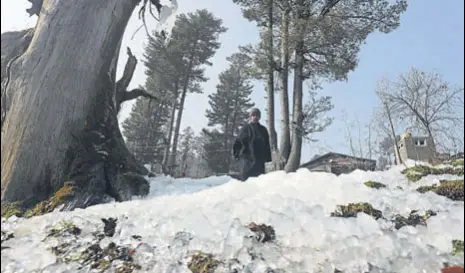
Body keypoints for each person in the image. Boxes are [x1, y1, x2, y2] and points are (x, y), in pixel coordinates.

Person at [232, 107, 272, 181]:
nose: (255, 117)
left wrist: (268, 158)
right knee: (246, 181)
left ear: (259, 117)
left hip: (259, 161)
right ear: (250, 117)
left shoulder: (263, 130)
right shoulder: (245, 129)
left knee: (258, 182)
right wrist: (236, 154)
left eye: (257, 115)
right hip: (246, 160)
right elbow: (237, 142)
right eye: (253, 115)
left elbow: (267, 145)